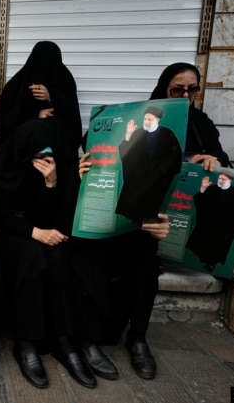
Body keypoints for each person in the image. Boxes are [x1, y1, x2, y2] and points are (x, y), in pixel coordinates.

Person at [0, 119, 99, 389]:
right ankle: (26, 342)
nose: (43, 160)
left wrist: (50, 184)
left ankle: (63, 339)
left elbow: (48, 219)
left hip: (38, 231)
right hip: (5, 234)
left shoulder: (51, 169)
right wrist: (33, 232)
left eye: (48, 153)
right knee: (32, 256)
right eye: (36, 154)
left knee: (59, 257)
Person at [75, 152, 170, 380]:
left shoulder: (148, 166)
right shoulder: (86, 164)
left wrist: (163, 227)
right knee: (91, 250)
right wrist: (80, 183)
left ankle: (137, 337)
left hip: (131, 239)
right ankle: (87, 339)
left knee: (148, 258)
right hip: (92, 245)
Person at [0, 41, 82, 166]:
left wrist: (51, 97)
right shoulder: (16, 87)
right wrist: (36, 115)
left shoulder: (64, 81)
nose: (44, 68)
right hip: (23, 163)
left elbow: (73, 123)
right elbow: (6, 125)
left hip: (56, 162)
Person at [149, 62, 230, 170]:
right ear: (165, 89)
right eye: (177, 90)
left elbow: (218, 153)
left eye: (192, 89)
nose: (186, 95)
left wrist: (213, 161)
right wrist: (185, 164)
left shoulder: (200, 120)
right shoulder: (146, 117)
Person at [116, 105, 183, 224]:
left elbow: (175, 158)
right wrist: (128, 135)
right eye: (145, 119)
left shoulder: (167, 134)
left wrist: (160, 171)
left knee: (150, 213)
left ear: (157, 119)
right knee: (131, 214)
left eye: (150, 119)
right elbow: (124, 153)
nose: (146, 122)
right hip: (136, 180)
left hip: (156, 180)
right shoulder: (137, 133)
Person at [186, 171, 234, 272]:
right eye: (219, 179)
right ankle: (204, 261)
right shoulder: (212, 189)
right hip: (209, 224)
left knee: (218, 247)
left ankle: (211, 264)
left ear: (230, 181)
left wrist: (233, 223)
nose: (220, 181)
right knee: (203, 244)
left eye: (223, 179)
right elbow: (199, 202)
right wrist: (203, 189)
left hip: (225, 228)